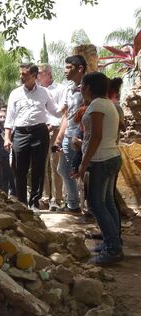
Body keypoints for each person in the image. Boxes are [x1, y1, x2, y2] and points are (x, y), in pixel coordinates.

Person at [72, 72, 123, 265]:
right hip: (110, 156)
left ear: (88, 87)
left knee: (95, 204)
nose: (81, 89)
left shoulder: (97, 105)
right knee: (108, 202)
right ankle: (113, 243)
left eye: (82, 85)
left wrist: (84, 164)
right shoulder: (107, 103)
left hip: (101, 160)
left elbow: (95, 137)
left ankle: (113, 249)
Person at [4, 63, 58, 211]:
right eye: (20, 74)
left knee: (38, 169)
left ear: (34, 76)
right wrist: (7, 138)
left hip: (40, 133)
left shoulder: (44, 92)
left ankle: (34, 203)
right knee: (18, 169)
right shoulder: (14, 93)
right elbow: (9, 118)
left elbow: (55, 112)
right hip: (20, 133)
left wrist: (66, 109)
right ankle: (22, 202)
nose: (21, 77)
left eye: (25, 74)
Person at [54, 55, 87, 214]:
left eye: (69, 67)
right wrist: (59, 139)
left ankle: (89, 207)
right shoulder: (69, 89)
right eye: (65, 67)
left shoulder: (89, 88)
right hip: (68, 137)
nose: (65, 71)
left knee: (85, 172)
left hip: (83, 138)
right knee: (64, 169)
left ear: (79, 68)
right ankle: (73, 204)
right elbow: (66, 115)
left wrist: (82, 136)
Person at [38, 64, 66, 211]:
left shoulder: (60, 89)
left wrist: (52, 125)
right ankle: (44, 197)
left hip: (55, 130)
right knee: (41, 165)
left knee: (55, 165)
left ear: (48, 74)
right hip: (41, 130)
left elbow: (62, 112)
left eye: (40, 73)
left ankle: (57, 199)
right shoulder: (38, 90)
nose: (38, 76)